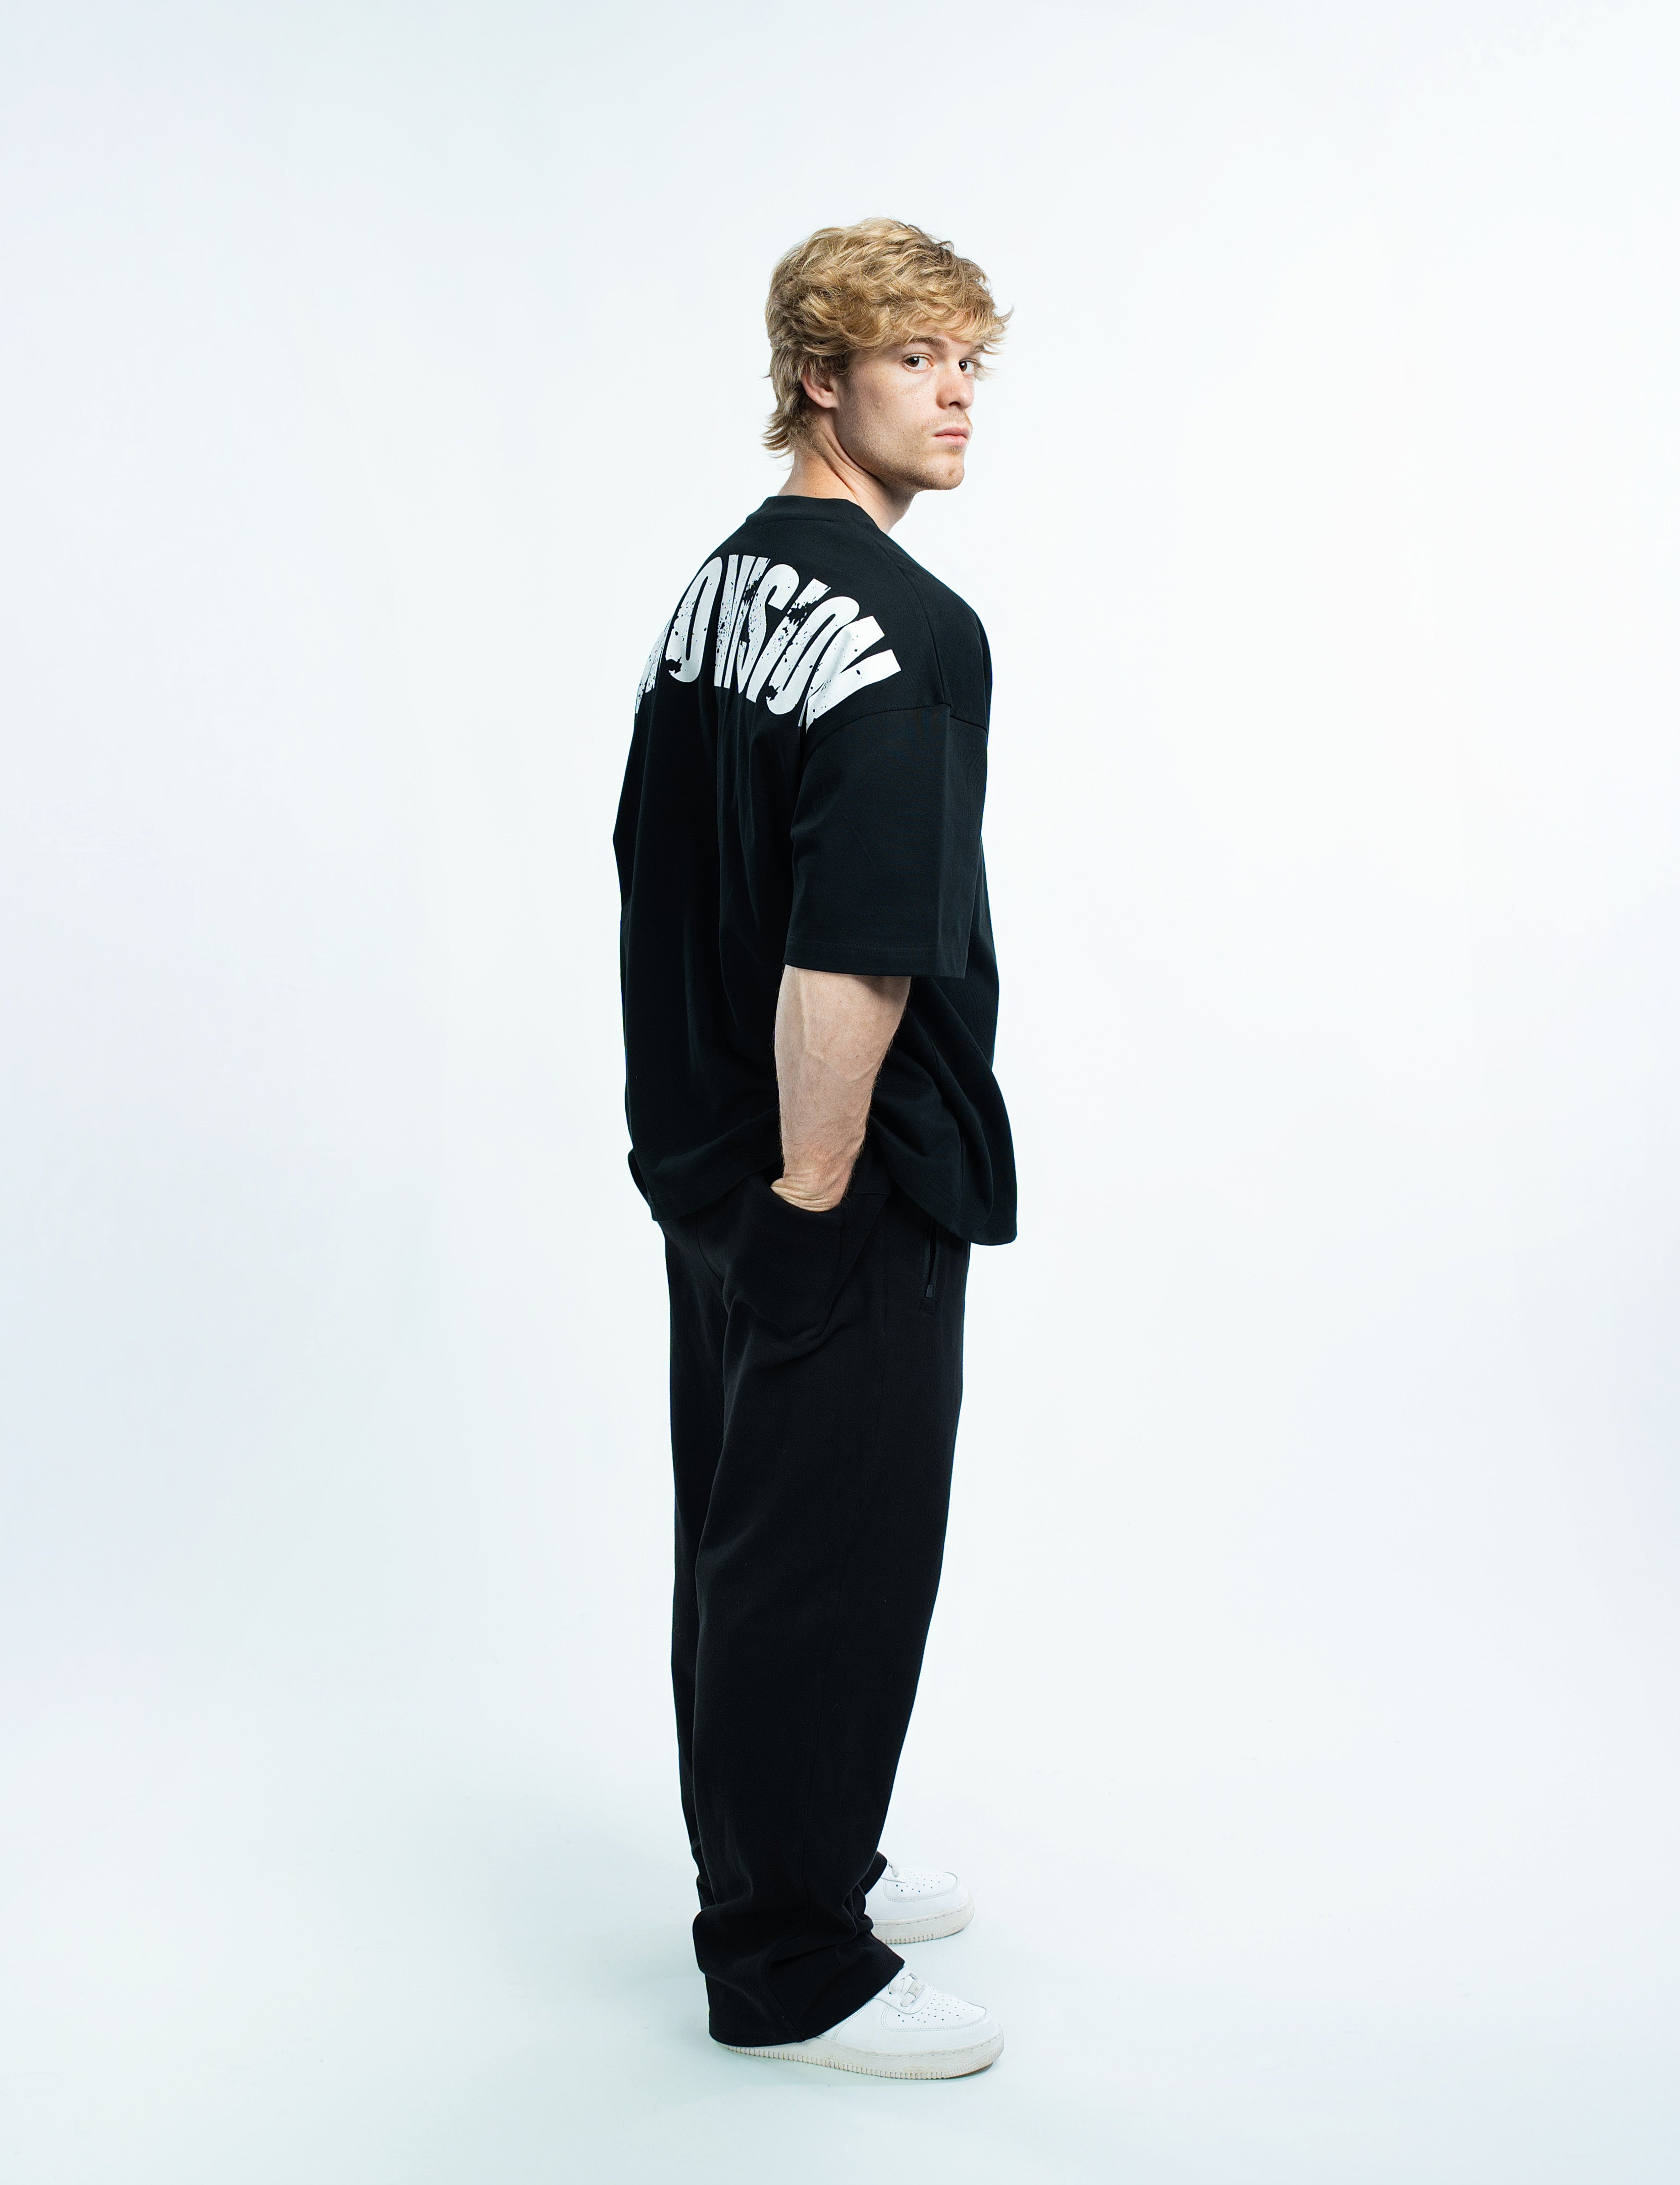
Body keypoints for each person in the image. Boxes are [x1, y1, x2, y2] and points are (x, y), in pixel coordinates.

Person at [612, 219, 1016, 2080]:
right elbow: (852, 950)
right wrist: (807, 1194)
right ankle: (788, 1959)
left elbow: (652, 863)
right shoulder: (913, 633)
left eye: (968, 360)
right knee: (832, 1559)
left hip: (708, 1157)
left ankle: (792, 1853)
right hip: (827, 1181)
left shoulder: (713, 593)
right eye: (912, 358)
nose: (954, 395)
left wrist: (724, 1175)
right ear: (816, 379)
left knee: (742, 1537)